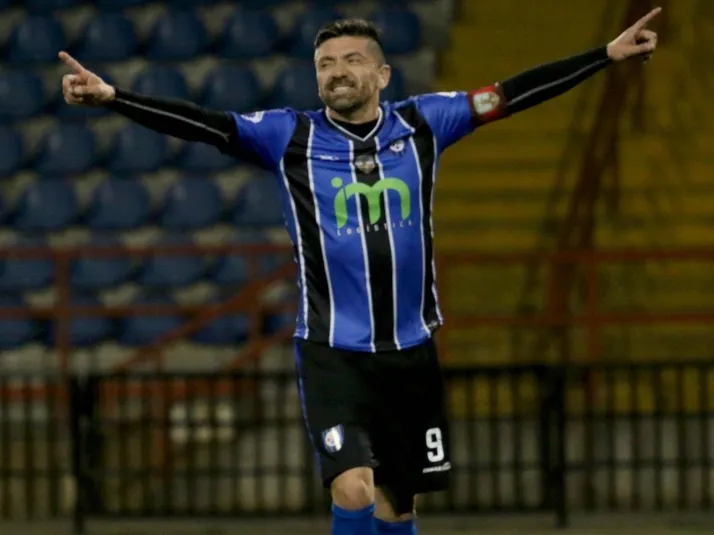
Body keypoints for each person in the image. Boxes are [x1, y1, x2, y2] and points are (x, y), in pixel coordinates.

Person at [59, 7, 660, 534]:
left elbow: (510, 94)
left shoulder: (425, 123)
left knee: (399, 507)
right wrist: (115, 98)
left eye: (351, 60)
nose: (336, 72)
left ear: (382, 74)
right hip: (333, 352)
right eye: (325, 64)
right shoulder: (288, 136)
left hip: (410, 350)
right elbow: (207, 123)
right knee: (353, 489)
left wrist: (604, 56)